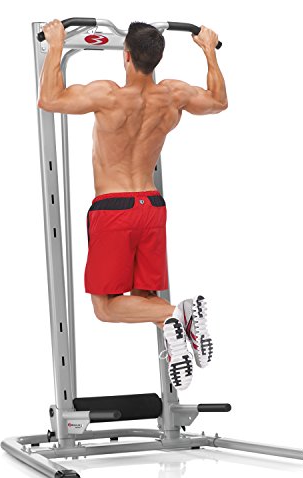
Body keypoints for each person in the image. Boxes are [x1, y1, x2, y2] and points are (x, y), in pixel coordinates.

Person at [38, 20, 228, 390]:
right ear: (157, 59)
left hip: (114, 208)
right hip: (152, 206)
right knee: (143, 299)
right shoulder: (172, 95)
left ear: (126, 56)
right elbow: (218, 101)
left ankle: (178, 313)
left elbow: (50, 99)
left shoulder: (108, 95)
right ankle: (176, 325)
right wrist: (208, 50)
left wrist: (57, 45)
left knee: (106, 308)